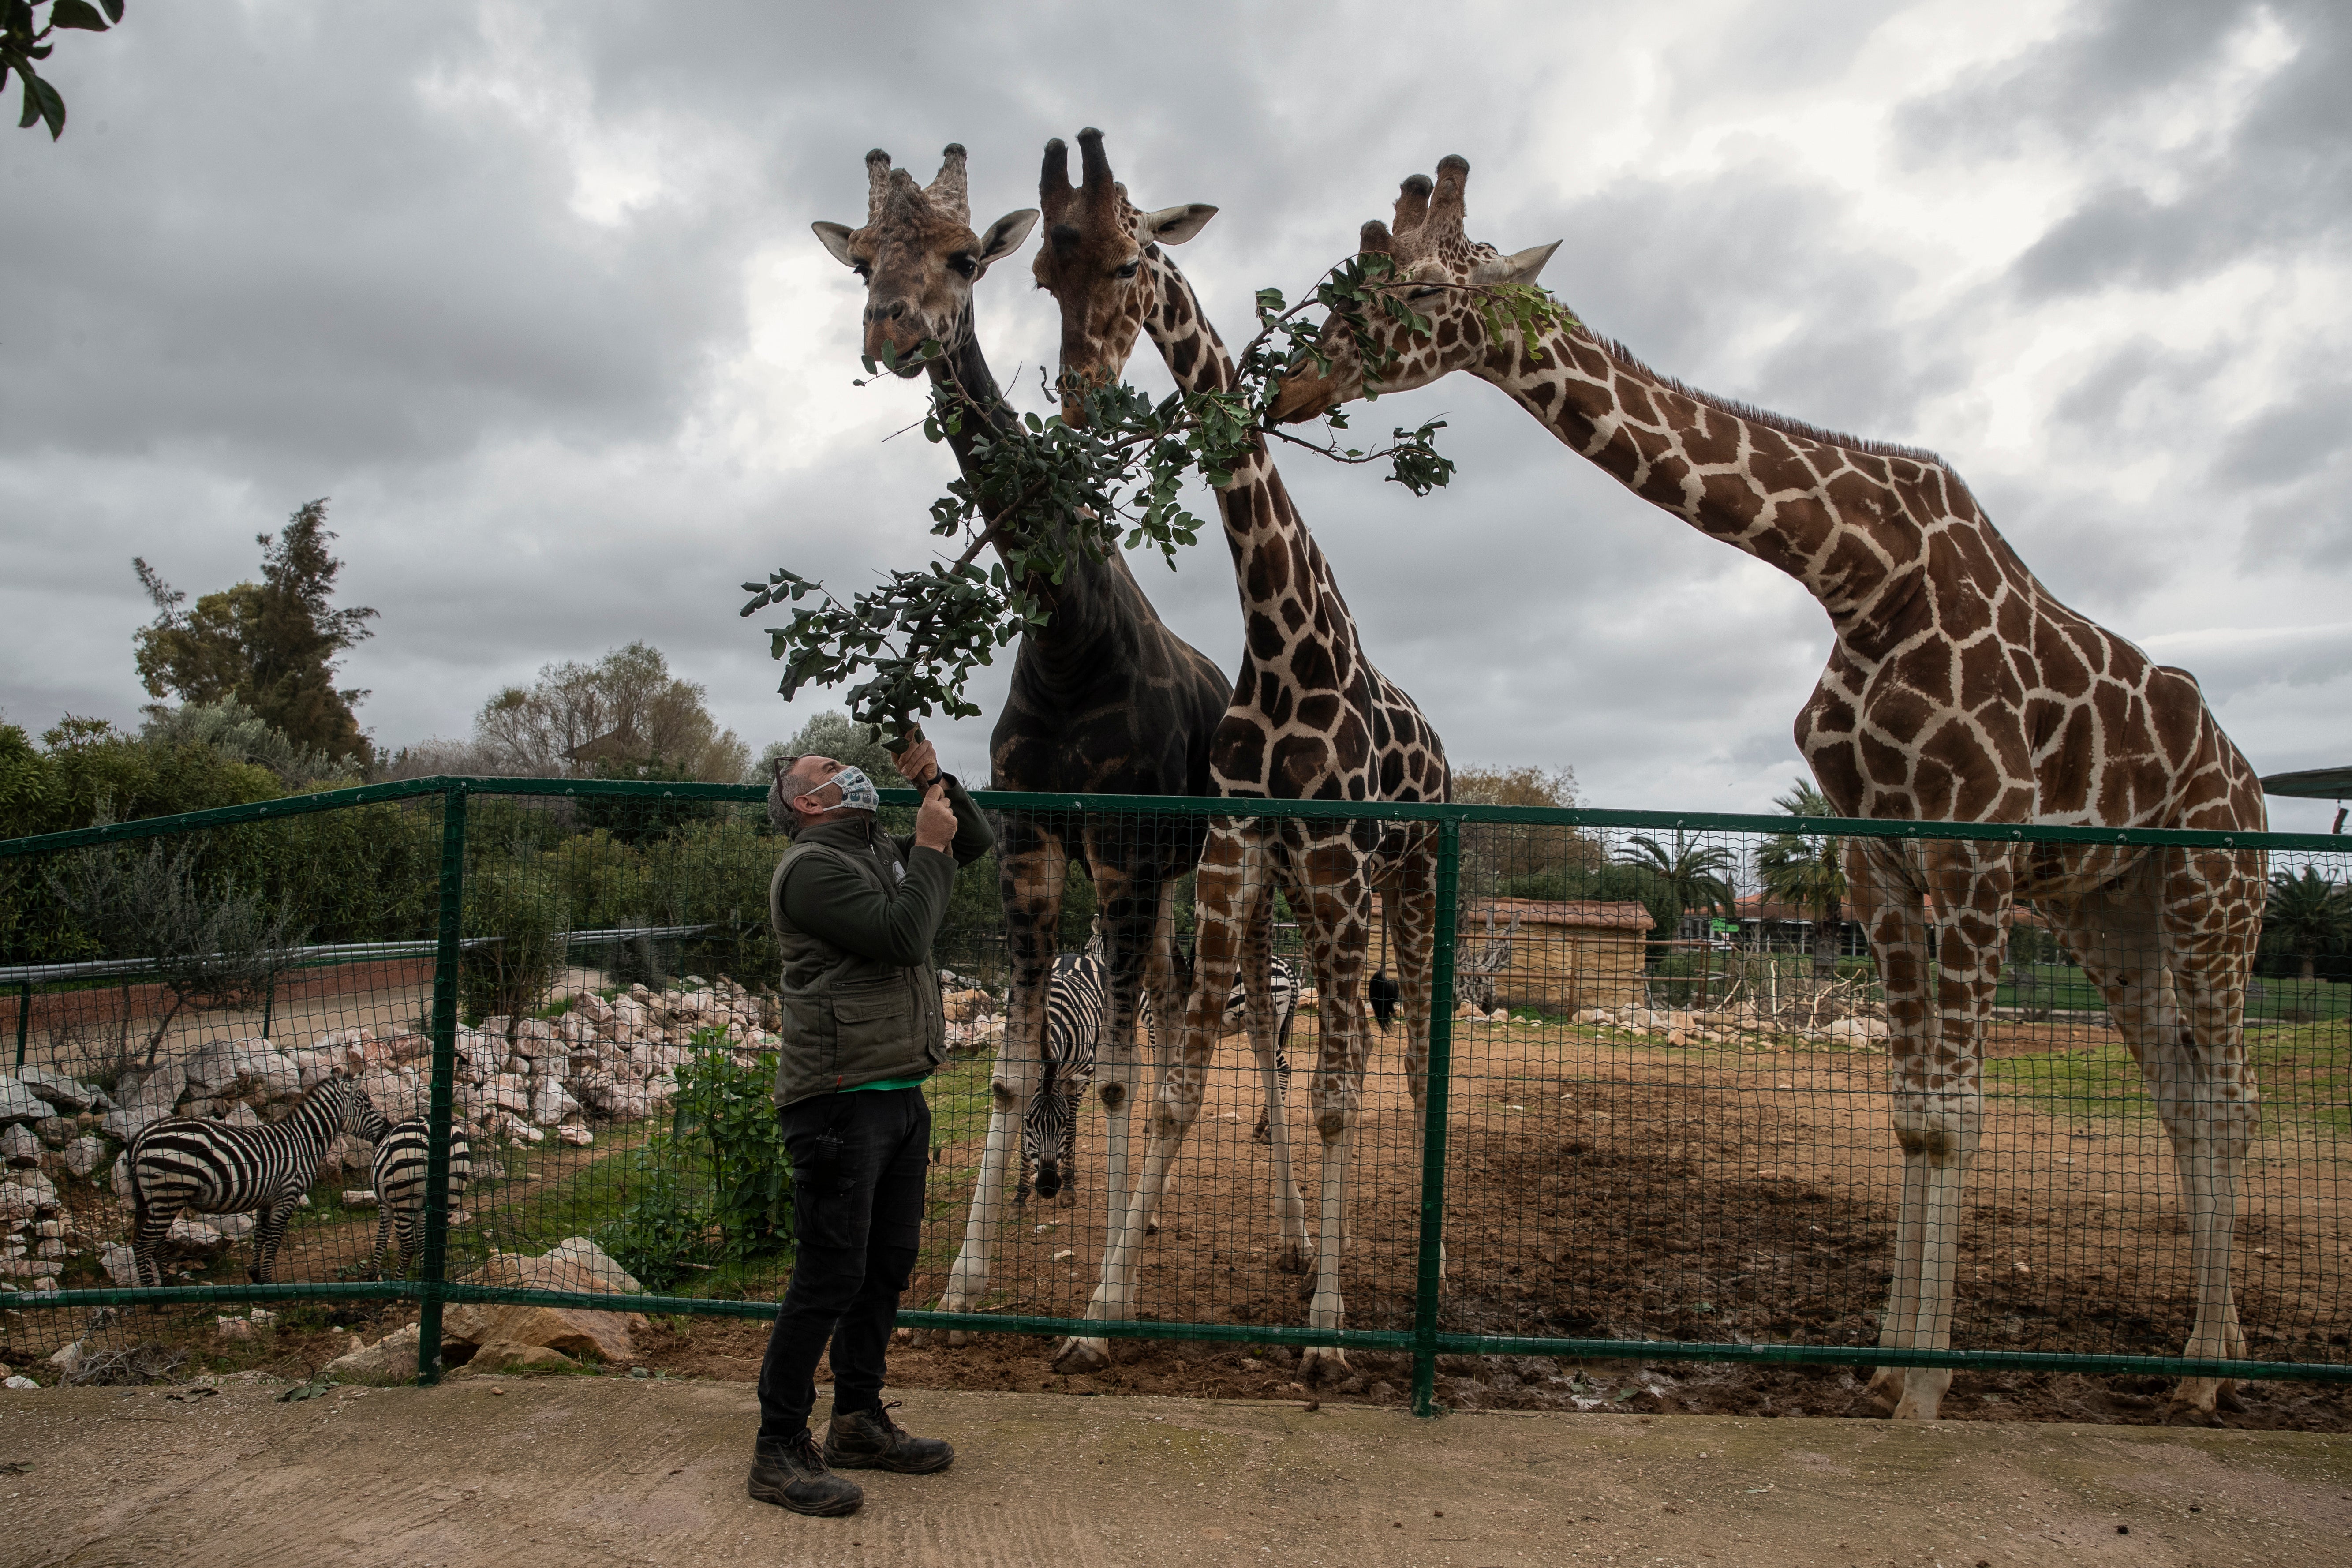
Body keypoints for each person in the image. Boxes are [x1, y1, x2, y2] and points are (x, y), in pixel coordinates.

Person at [748, 735, 995, 1518]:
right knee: (828, 1277)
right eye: (821, 769)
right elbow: (903, 936)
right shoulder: (812, 868)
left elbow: (975, 843)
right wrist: (925, 846)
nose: (836, 764)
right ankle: (777, 1449)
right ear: (805, 802)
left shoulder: (877, 846)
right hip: (836, 1097)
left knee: (884, 1267)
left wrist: (932, 777)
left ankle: (857, 1421)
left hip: (897, 1093)